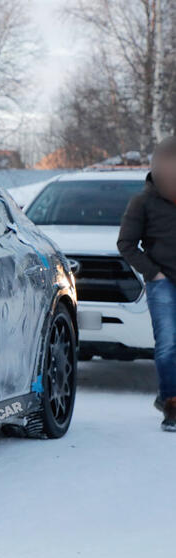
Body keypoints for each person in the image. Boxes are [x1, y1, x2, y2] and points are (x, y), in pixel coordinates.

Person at [118, 136, 176, 432]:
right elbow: (126, 244)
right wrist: (153, 274)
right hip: (163, 283)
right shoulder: (142, 202)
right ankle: (171, 405)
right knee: (168, 345)